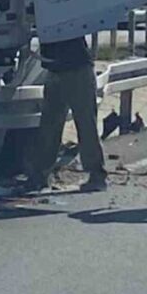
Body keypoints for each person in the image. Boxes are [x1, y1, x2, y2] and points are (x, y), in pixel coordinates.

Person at [27, 35, 108, 192]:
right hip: (55, 68)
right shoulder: (46, 15)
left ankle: (96, 173)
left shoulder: (64, 15)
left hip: (77, 68)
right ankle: (41, 174)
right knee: (50, 123)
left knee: (85, 123)